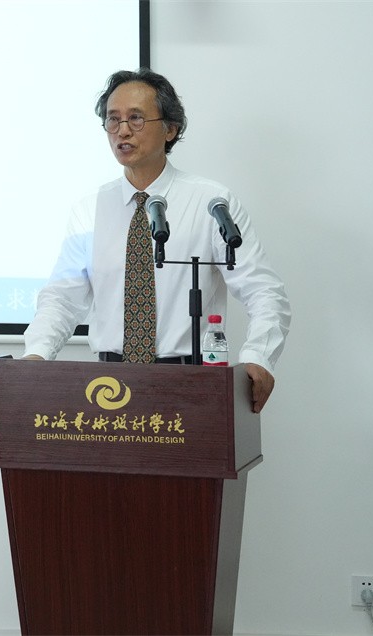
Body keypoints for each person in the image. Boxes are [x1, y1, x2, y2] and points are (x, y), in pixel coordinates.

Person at [22, 68, 291, 413]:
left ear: (170, 128)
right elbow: (62, 299)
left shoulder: (211, 203)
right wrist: (36, 354)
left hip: (192, 385)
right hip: (107, 387)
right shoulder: (89, 210)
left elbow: (264, 290)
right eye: (113, 119)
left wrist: (259, 356)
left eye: (136, 118)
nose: (122, 130)